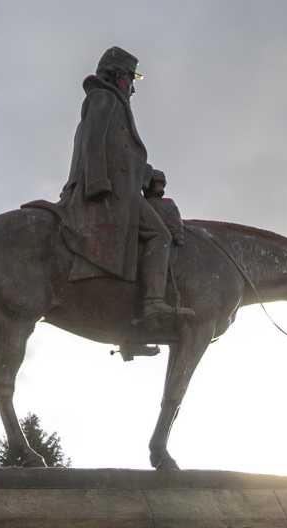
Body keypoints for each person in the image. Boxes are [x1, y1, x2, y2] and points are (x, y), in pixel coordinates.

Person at [58, 46, 190, 325]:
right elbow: (95, 143)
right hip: (110, 192)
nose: (133, 88)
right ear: (119, 76)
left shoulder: (109, 102)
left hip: (117, 187)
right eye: (132, 78)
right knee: (160, 235)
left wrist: (148, 173)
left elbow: (119, 153)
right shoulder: (104, 99)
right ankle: (153, 303)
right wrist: (97, 184)